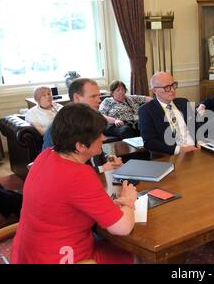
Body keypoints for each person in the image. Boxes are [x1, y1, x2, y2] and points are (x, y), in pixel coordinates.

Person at [11, 103, 138, 264]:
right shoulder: (79, 175)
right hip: (61, 257)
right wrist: (128, 200)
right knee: (134, 256)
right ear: (80, 146)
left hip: (28, 253)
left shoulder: (46, 155)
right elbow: (123, 228)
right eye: (98, 134)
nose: (104, 138)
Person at [138, 72, 199, 155]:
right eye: (167, 87)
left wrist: (200, 141)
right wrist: (179, 150)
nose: (172, 90)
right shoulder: (146, 110)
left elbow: (197, 126)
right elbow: (149, 142)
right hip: (170, 156)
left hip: (196, 151)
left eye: (173, 85)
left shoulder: (184, 102)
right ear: (154, 90)